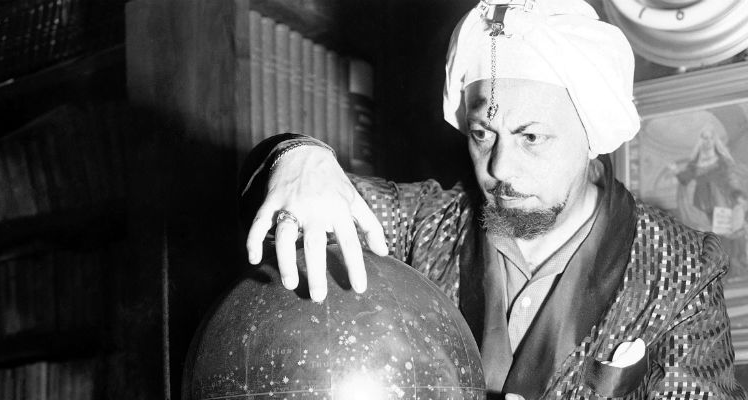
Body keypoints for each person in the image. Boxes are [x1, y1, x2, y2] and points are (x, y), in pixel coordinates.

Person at [238, 0, 747, 398]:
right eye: (483, 134)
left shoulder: (681, 270)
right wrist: (298, 158)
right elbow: (296, 203)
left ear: (592, 135)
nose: (500, 167)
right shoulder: (422, 226)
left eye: (532, 137)